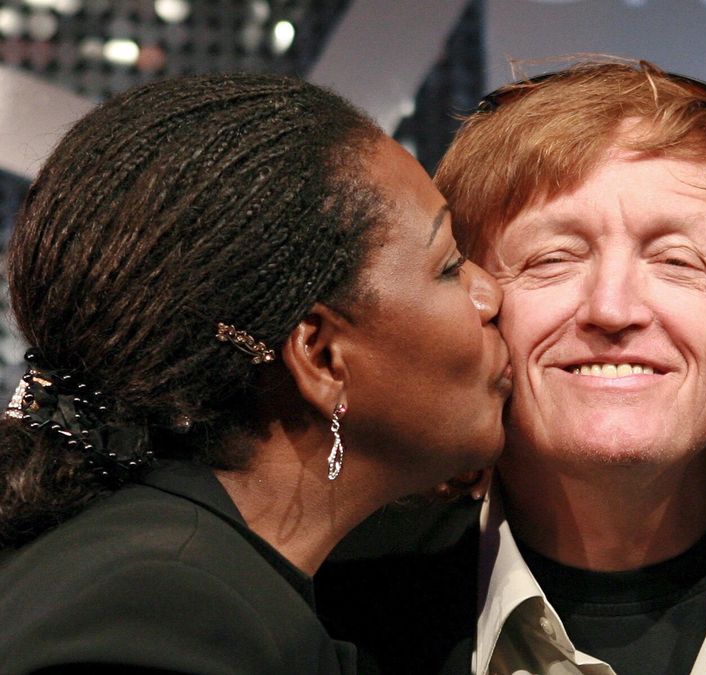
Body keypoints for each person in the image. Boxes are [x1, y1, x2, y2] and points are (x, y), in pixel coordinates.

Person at [318, 59, 706, 674]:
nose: (612, 309)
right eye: (553, 259)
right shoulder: (333, 601)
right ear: (475, 299)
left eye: (678, 261)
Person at [0, 73, 510, 673]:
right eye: (449, 266)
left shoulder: (149, 562)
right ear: (321, 358)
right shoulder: (167, 615)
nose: (490, 292)